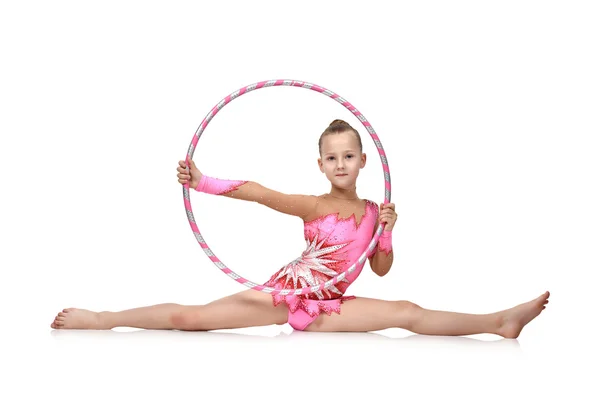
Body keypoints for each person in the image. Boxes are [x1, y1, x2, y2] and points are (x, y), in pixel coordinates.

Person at [50, 119, 549, 337]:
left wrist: (390, 232)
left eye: (348, 155)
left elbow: (378, 270)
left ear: (362, 161)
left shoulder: (375, 211)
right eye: (331, 157)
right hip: (288, 293)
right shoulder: (313, 205)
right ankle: (103, 318)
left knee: (406, 311)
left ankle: (498, 322)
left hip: (331, 305)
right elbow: (262, 193)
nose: (340, 164)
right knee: (192, 319)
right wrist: (202, 182)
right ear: (320, 164)